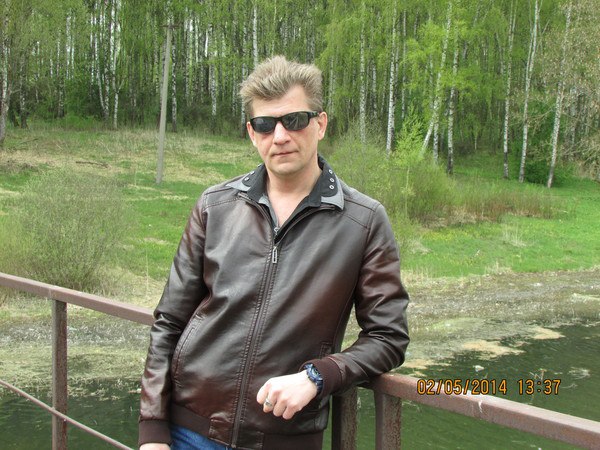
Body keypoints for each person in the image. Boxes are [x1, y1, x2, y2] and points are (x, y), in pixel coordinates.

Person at [138, 55, 409, 450]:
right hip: (188, 431)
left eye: (294, 120)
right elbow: (169, 321)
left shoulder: (363, 222)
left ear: (320, 124)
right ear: (252, 133)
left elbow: (388, 336)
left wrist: (319, 376)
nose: (279, 136)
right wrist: (152, 429)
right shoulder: (215, 206)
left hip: (284, 438)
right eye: (265, 124)